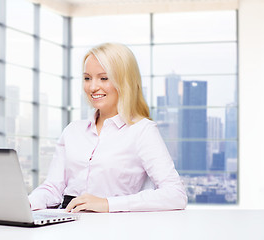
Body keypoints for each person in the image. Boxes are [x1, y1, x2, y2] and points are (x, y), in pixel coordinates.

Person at [28, 43, 187, 213]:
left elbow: (175, 194)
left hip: (114, 225)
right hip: (68, 220)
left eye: (104, 78)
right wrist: (28, 202)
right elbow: (53, 187)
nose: (93, 87)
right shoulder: (73, 130)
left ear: (124, 81)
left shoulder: (142, 131)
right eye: (87, 78)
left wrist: (107, 204)